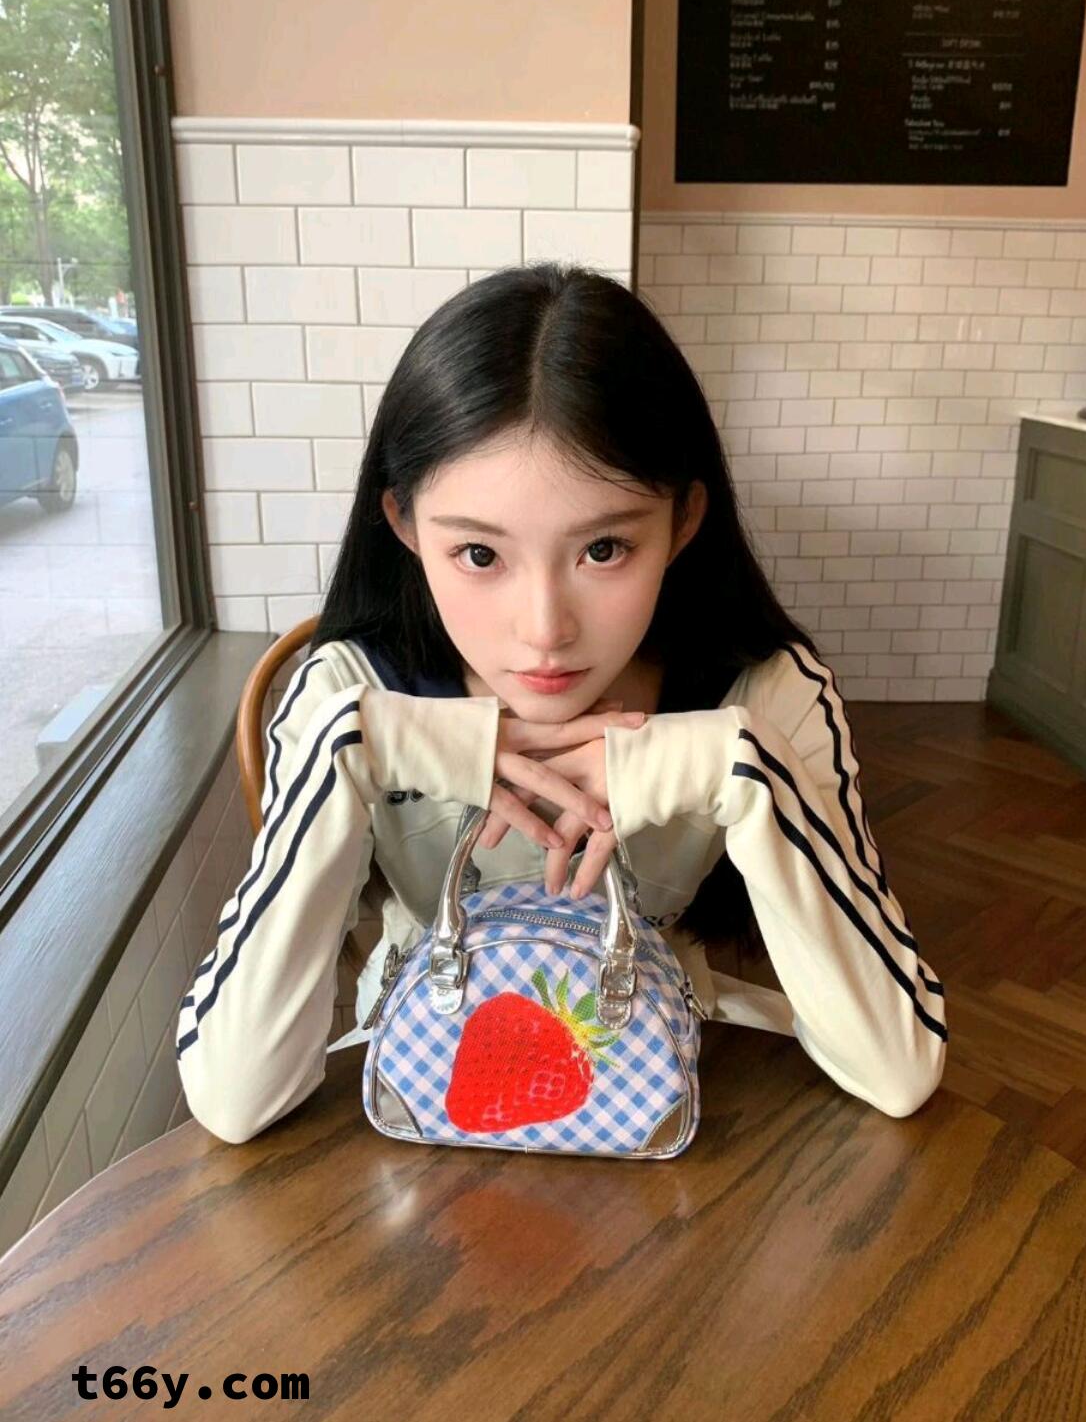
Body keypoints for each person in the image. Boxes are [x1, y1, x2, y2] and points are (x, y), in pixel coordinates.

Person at [176, 261, 947, 1145]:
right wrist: (355, 745)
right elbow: (234, 1096)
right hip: (418, 1094)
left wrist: (734, 764)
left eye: (604, 548)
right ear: (403, 524)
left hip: (662, 1099)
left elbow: (897, 1068)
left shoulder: (765, 694)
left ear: (683, 521)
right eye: (478, 555)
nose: (544, 630)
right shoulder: (351, 693)